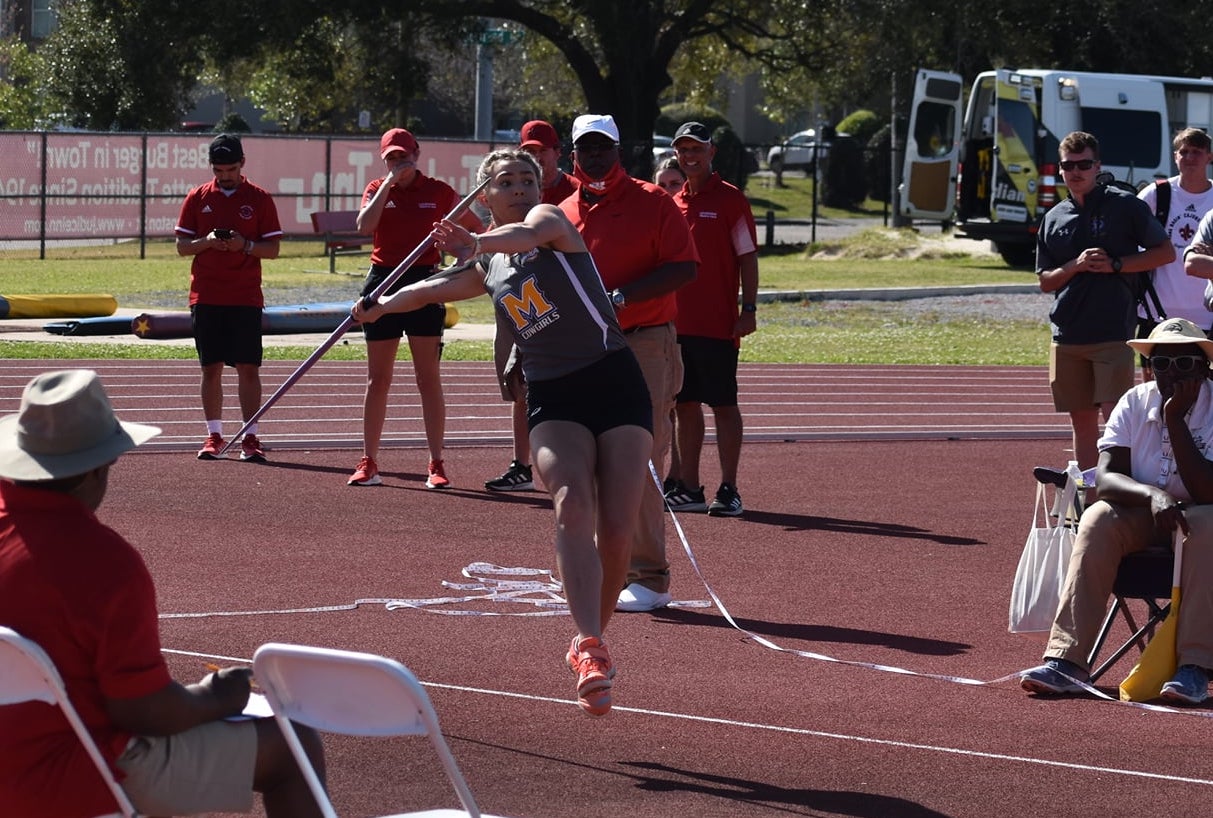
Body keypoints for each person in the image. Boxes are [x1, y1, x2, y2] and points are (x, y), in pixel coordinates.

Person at [352, 149, 653, 716]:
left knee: (618, 528)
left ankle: (592, 640)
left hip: (614, 381)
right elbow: (428, 291)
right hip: (554, 394)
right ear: (483, 196)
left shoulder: (551, 225)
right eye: (505, 182)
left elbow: (519, 234)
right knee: (572, 503)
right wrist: (381, 306)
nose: (519, 187)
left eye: (527, 179)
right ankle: (590, 644)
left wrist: (476, 242)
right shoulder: (484, 264)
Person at [0, 369, 325, 816]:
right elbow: (143, 713)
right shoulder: (103, 561)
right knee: (294, 745)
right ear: (97, 468)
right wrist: (218, 695)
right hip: (73, 773)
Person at [1020, 318, 1213, 704]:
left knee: (1206, 524)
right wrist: (1151, 497)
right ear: (1148, 368)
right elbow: (1106, 480)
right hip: (1143, 514)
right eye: (1161, 364)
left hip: (1201, 515)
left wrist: (1175, 419)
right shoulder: (1133, 401)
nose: (1172, 373)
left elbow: (1206, 490)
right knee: (1098, 517)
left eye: (1185, 364)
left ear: (1205, 368)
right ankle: (1067, 660)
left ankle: (1194, 667)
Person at [558, 113, 699, 614]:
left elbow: (684, 266)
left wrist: (623, 297)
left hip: (642, 342)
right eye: (585, 149)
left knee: (639, 458)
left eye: (603, 148)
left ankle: (650, 575)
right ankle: (609, 563)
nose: (595, 157)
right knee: (589, 457)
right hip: (583, 348)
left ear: (618, 151)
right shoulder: (563, 210)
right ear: (573, 154)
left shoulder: (654, 201)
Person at [347, 127, 484, 488]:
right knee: (378, 379)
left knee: (427, 377)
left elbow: (475, 233)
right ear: (384, 160)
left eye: (404, 156)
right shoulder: (377, 189)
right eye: (392, 157)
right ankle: (369, 460)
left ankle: (436, 462)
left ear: (417, 153)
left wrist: (461, 255)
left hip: (424, 281)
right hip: (382, 282)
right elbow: (364, 226)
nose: (399, 163)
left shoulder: (439, 192)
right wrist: (388, 186)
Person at [1036, 130, 1174, 476]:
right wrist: (1077, 265)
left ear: (1097, 166)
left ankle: (1124, 496)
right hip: (1067, 335)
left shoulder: (1124, 205)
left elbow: (1165, 253)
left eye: (1084, 164)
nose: (1076, 172)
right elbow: (1045, 281)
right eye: (1068, 165)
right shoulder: (1053, 218)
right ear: (1060, 169)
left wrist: (1116, 264)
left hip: (1113, 331)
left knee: (1116, 418)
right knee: (1081, 423)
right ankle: (1090, 499)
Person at [661, 121, 759, 517]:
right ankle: (689, 486)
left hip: (718, 324)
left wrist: (748, 309)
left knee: (723, 404)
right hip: (675, 324)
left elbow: (747, 258)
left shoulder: (732, 200)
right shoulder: (672, 203)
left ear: (711, 152)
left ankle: (729, 487)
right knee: (685, 406)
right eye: (683, 150)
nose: (690, 157)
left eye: (697, 149)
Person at [483, 121, 581, 493]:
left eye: (542, 150)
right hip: (518, 300)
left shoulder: (569, 193)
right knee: (518, 381)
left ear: (557, 153)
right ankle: (520, 463)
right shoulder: (509, 184)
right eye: (529, 148)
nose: (535, 156)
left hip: (560, 308)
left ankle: (567, 467)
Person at [175, 133, 282, 463]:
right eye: (219, 170)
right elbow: (182, 247)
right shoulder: (197, 197)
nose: (225, 176)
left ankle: (250, 436)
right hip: (206, 294)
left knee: (248, 367)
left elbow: (274, 249)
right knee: (211, 367)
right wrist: (207, 241)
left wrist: (244, 245)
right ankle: (214, 435)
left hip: (245, 296)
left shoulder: (260, 199)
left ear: (243, 164)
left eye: (231, 169)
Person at [1135, 128, 1213, 374]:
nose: (1189, 158)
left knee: (1204, 392)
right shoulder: (1156, 194)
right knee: (1152, 387)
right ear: (1175, 156)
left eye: (1197, 152)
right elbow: (1129, 236)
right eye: (1184, 152)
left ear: (1209, 157)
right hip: (1156, 311)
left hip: (1206, 314)